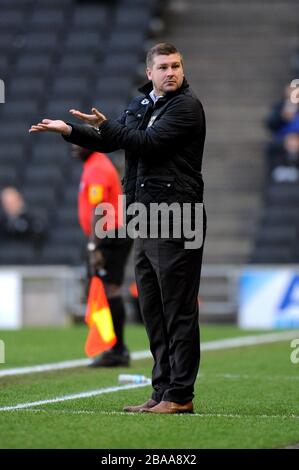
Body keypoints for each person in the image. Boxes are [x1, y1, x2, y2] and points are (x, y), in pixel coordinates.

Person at [29, 42, 207, 414]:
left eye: (176, 65)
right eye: (163, 67)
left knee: (177, 310)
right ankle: (161, 391)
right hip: (144, 217)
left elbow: (147, 143)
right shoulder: (142, 104)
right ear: (149, 73)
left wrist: (109, 127)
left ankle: (180, 395)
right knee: (152, 310)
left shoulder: (187, 108)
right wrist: (71, 130)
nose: (171, 72)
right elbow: (112, 139)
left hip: (177, 216)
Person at [72, 144, 132, 367]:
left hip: (110, 234)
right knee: (102, 287)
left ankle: (117, 350)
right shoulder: (93, 165)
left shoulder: (97, 167)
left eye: (78, 143)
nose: (73, 148)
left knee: (109, 288)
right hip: (107, 234)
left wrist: (93, 248)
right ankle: (114, 348)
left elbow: (99, 210)